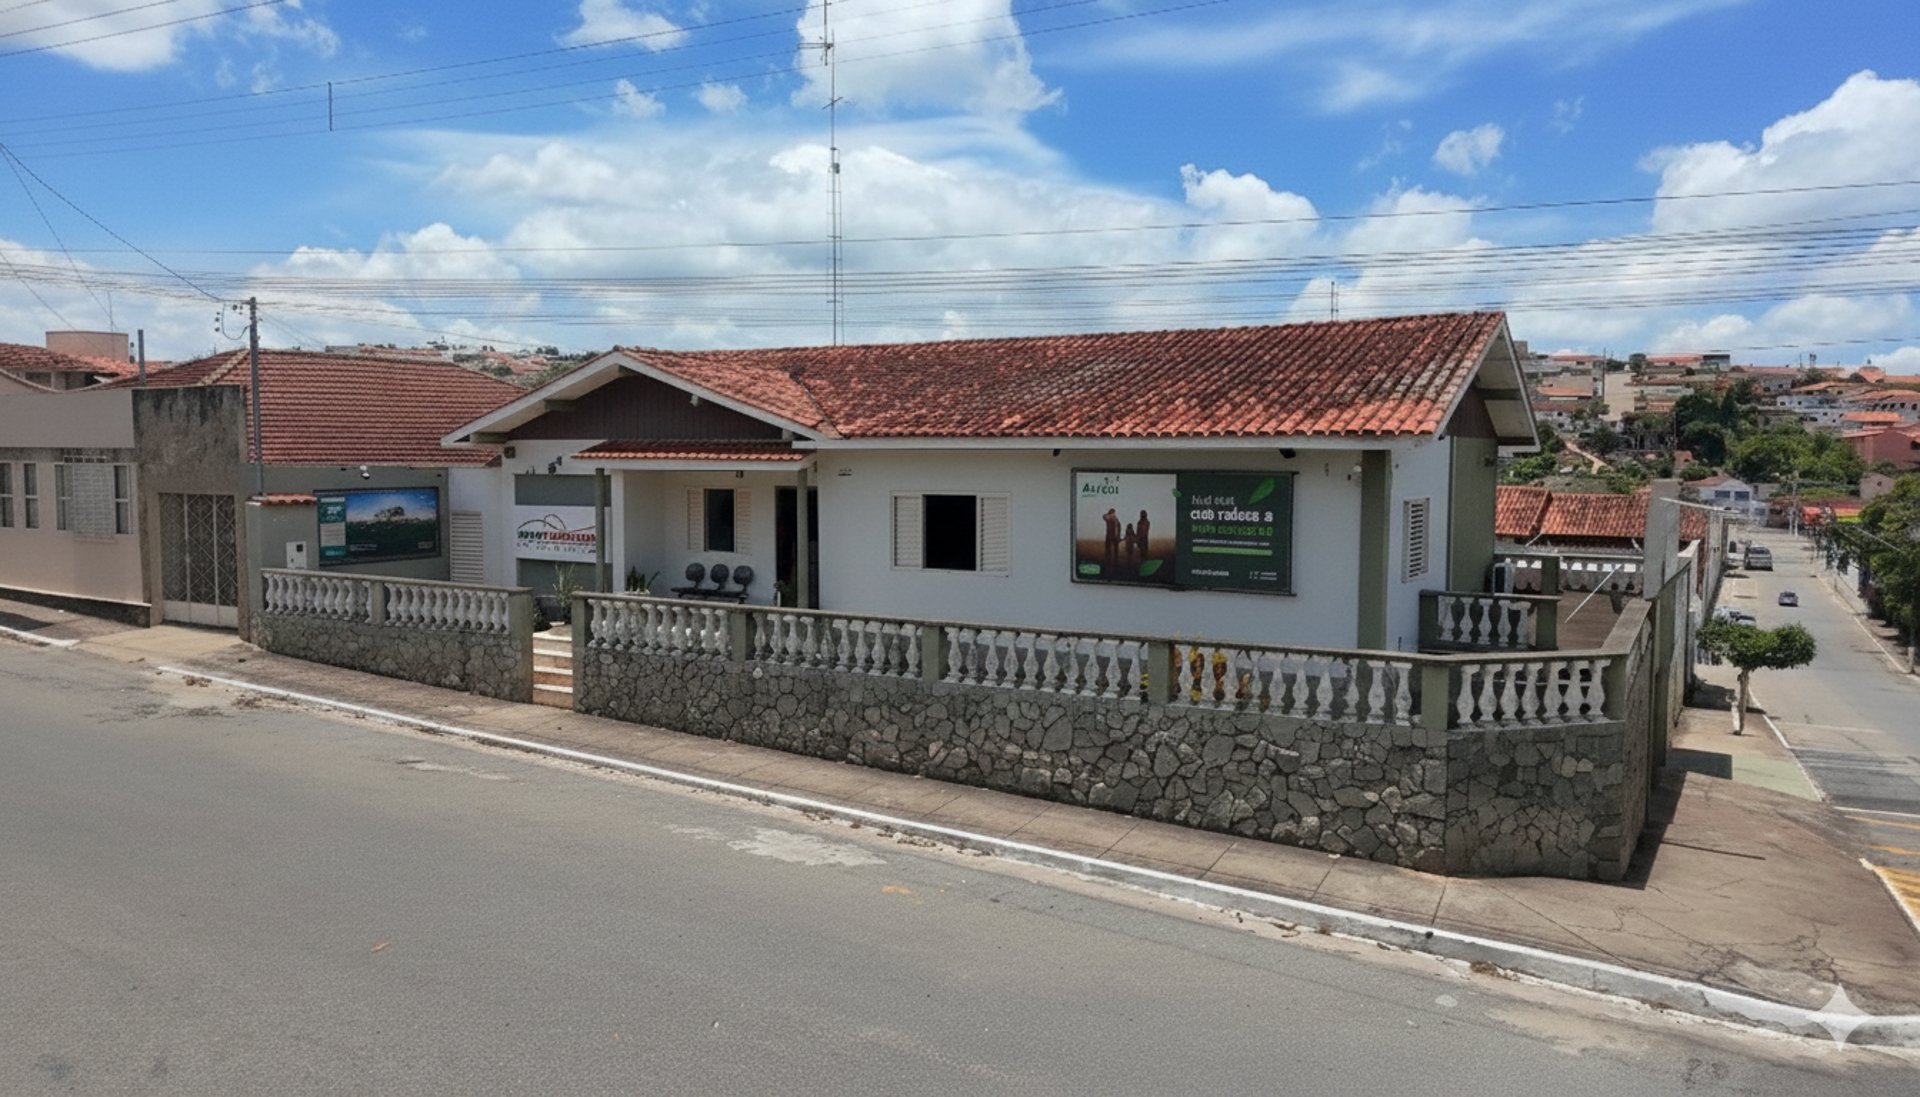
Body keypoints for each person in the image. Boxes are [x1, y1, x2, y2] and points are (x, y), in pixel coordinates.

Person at [1102, 507, 1122, 573]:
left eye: (1113, 512)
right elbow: (1104, 516)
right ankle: (1109, 564)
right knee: (1109, 551)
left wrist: (1119, 536)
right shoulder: (1109, 518)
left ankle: (1115, 564)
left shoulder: (1116, 519)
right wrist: (1109, 514)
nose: (1113, 514)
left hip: (1114, 536)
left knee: (1115, 550)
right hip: (1110, 536)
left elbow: (1119, 527)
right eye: (1112, 512)